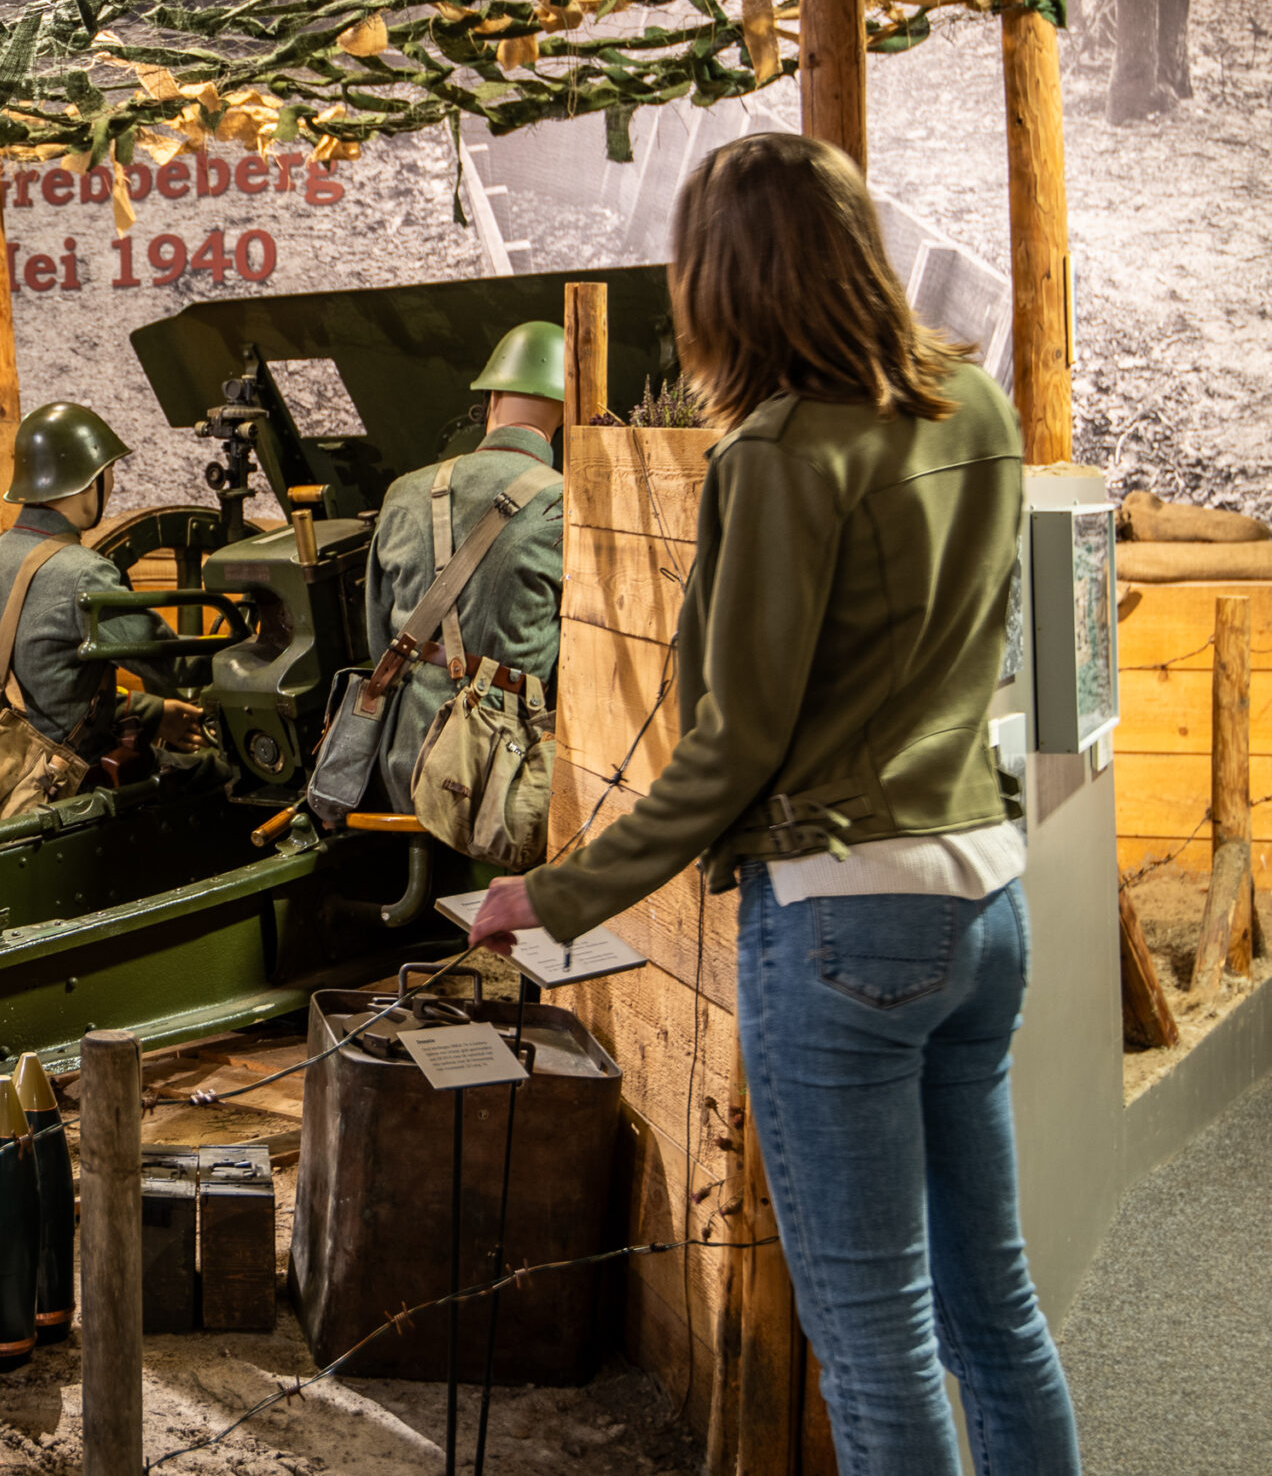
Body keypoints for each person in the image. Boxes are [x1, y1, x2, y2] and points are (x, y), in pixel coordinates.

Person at [466, 132, 1079, 1475]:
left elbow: (732, 745)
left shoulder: (782, 453)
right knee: (995, 1312)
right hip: (985, 897)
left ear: (723, 282)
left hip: (844, 915)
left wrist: (553, 891)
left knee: (873, 1341)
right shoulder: (974, 407)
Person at [361, 321, 566, 817]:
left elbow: (377, 638)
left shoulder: (403, 492)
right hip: (505, 780)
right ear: (567, 413)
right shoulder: (568, 505)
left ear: (491, 397)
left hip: (403, 764)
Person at [0, 401, 204, 773]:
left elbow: (44, 689)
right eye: (110, 471)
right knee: (217, 776)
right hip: (74, 777)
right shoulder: (83, 573)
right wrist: (253, 653)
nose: (113, 484)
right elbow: (175, 666)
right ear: (90, 480)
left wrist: (154, 712)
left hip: (4, 774)